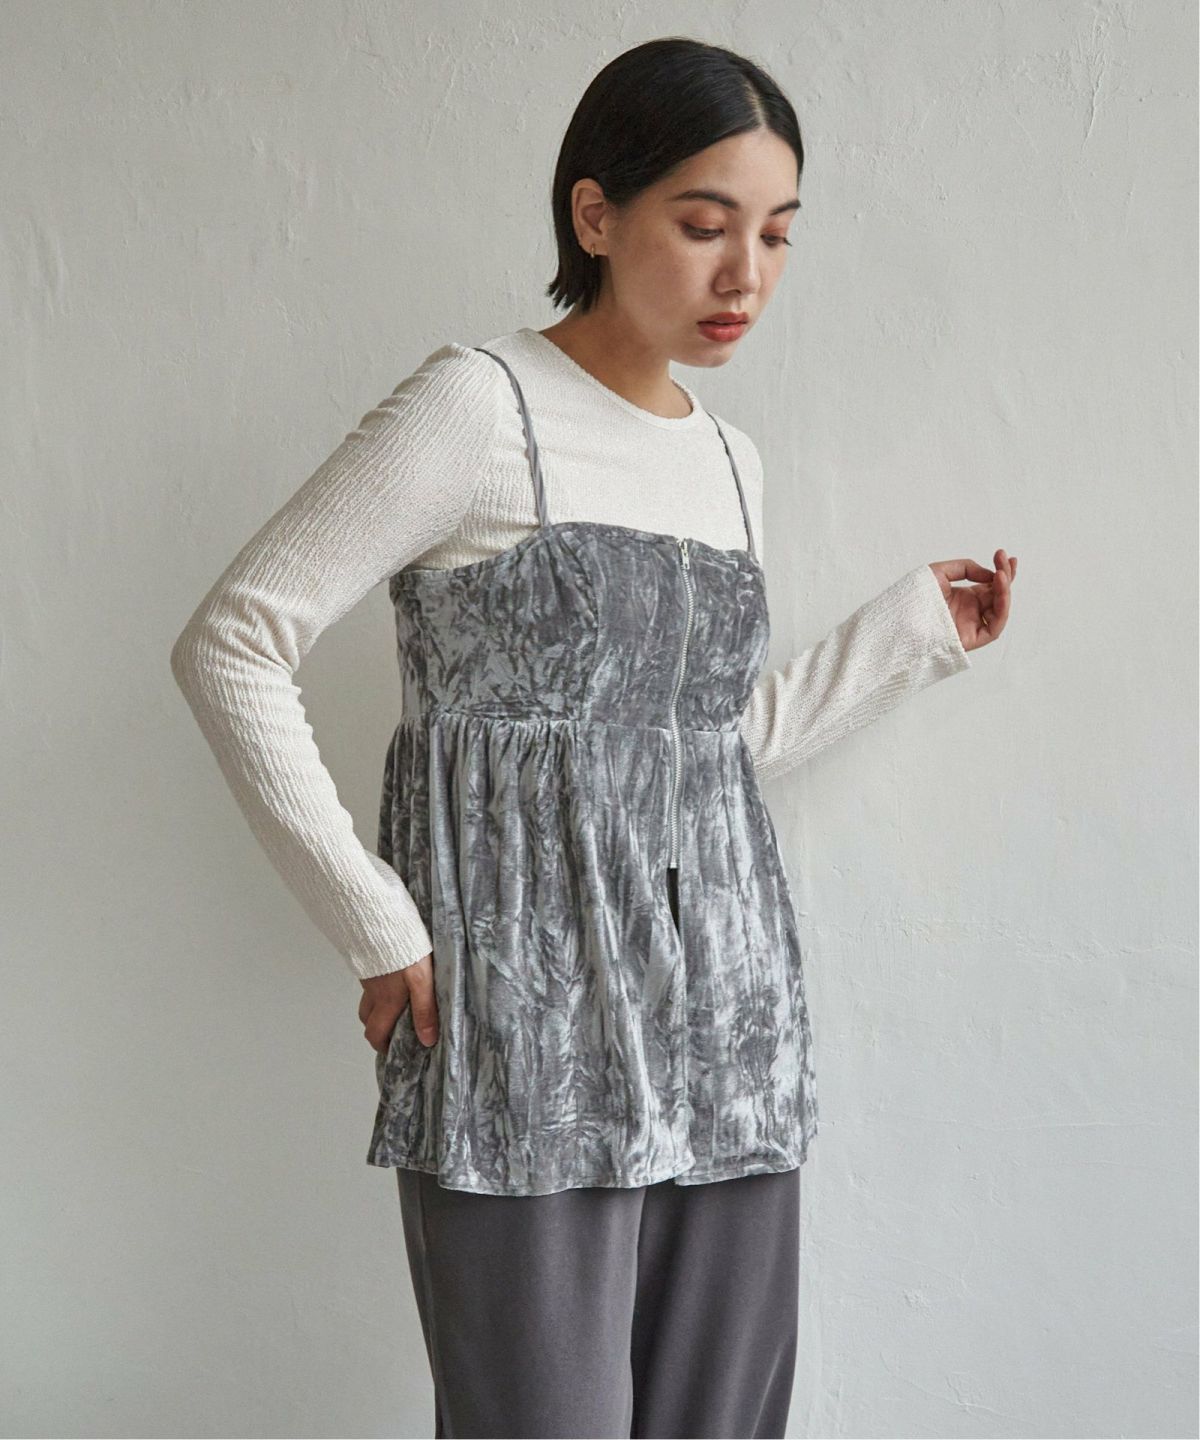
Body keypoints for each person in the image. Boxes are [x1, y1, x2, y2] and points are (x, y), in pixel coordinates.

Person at [170, 36, 1016, 1440]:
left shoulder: (731, 461)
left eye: (777, 235)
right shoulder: (477, 407)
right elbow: (231, 643)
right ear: (596, 215)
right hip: (524, 1033)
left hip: (729, 1024)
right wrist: (376, 924)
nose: (745, 275)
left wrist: (910, 633)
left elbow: (703, 755)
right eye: (706, 224)